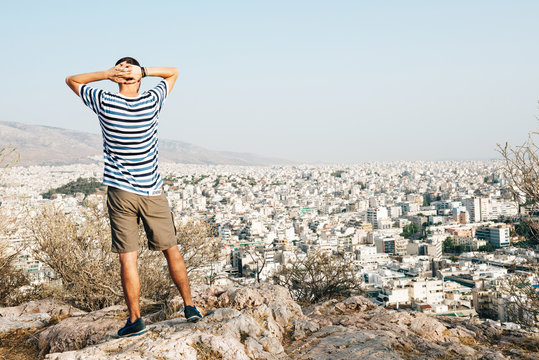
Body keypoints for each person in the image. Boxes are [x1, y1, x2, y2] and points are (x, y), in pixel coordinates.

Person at [65, 57, 202, 337]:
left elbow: (72, 80)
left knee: (128, 258)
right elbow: (174, 72)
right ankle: (190, 307)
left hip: (120, 192)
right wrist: (145, 71)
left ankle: (135, 320)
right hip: (152, 190)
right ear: (139, 78)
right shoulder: (152, 100)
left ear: (118, 78)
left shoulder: (103, 101)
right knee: (171, 249)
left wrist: (106, 74)